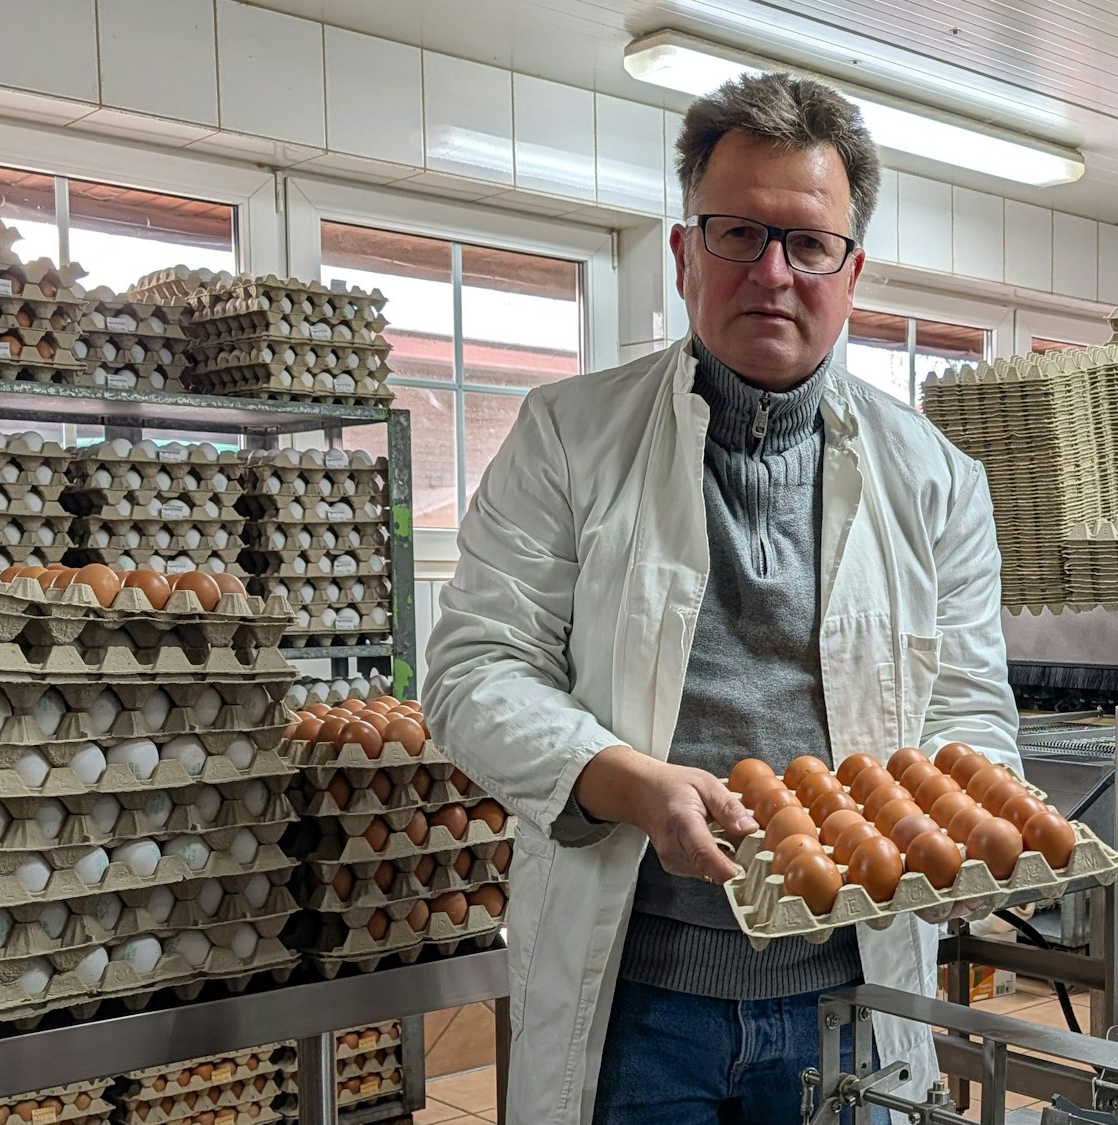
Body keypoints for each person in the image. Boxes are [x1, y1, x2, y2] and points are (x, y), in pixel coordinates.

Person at [423, 71, 1020, 1125]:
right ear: (682, 251)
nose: (773, 273)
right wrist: (626, 783)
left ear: (851, 268)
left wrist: (978, 830)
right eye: (737, 234)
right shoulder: (568, 437)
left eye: (807, 244)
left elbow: (968, 709)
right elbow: (474, 673)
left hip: (851, 994)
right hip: (639, 1006)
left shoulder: (936, 480)